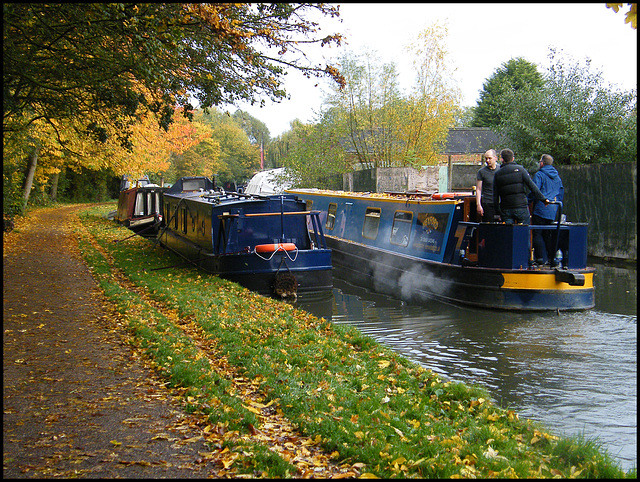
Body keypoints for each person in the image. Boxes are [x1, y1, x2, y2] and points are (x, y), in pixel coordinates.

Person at [493, 148, 549, 225]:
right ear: (513, 158)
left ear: (502, 159)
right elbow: (532, 186)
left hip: (506, 208)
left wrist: (498, 211)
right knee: (523, 231)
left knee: (508, 232)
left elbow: (495, 195)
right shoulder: (521, 170)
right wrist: (543, 199)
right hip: (521, 206)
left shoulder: (497, 174)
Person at [529, 154, 564, 265]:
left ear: (542, 163)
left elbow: (535, 191)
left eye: (540, 161)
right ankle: (551, 259)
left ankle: (540, 259)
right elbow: (561, 193)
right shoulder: (557, 177)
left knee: (537, 233)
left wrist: (527, 201)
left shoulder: (539, 175)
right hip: (553, 210)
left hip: (541, 209)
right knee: (548, 234)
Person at [475, 149, 498, 222]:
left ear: (495, 158)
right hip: (487, 203)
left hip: (500, 203)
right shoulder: (481, 172)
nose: (487, 160)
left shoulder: (501, 170)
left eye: (490, 158)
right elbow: (478, 189)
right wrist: (478, 204)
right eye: (486, 158)